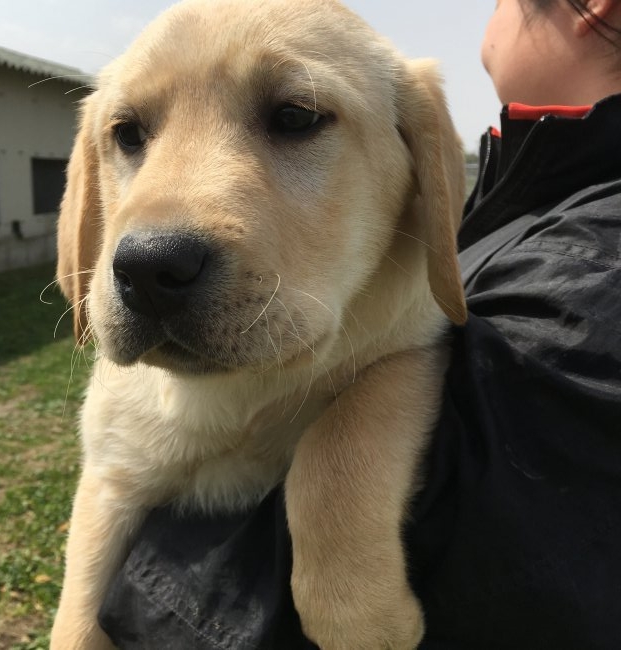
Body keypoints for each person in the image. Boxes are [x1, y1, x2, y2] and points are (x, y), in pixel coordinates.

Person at [98, 1, 621, 647]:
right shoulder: (530, 181)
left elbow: (439, 350)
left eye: (293, 118)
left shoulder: (599, 259)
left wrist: (339, 485)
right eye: (129, 134)